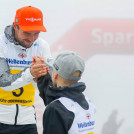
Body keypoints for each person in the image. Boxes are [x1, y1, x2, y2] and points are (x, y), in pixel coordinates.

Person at [0, 6, 51, 134]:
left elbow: (46, 89)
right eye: (27, 32)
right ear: (15, 26)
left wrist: (40, 76)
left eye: (36, 33)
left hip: (27, 120)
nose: (32, 39)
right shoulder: (1, 44)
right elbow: (3, 82)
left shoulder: (42, 47)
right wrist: (31, 72)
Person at [34, 51, 96, 134]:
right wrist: (42, 77)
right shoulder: (88, 104)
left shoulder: (56, 109)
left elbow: (56, 102)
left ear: (55, 75)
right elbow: (55, 96)